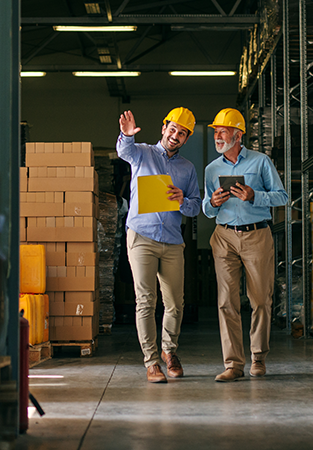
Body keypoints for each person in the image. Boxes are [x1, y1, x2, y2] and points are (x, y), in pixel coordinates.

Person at [202, 108, 288, 382]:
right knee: (227, 301)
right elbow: (207, 209)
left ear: (238, 135)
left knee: (260, 299)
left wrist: (255, 196)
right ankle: (233, 364)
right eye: (216, 132)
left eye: (222, 131)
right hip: (224, 236)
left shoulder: (261, 162)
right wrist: (212, 203)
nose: (218, 137)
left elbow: (282, 197)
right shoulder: (211, 169)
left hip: (256, 236)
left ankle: (258, 357)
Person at [117, 107, 201, 383]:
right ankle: (151, 361)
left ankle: (169, 352)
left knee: (175, 303)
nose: (176, 135)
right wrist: (126, 135)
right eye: (173, 129)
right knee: (146, 300)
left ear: (186, 138)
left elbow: (195, 207)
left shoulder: (187, 169)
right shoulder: (141, 153)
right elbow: (123, 152)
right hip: (142, 236)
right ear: (164, 127)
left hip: (173, 241)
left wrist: (182, 201)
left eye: (182, 133)